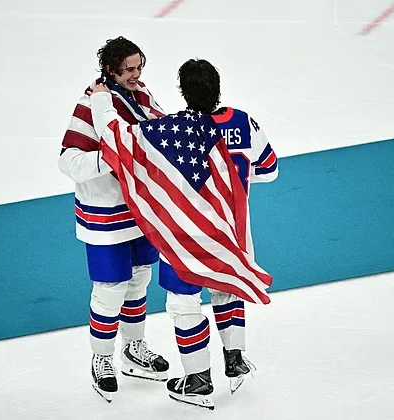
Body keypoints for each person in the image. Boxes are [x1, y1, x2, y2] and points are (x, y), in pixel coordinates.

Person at [88, 58, 279, 410]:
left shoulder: (173, 130)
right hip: (233, 232)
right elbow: (269, 170)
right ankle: (235, 357)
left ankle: (198, 380)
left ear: (184, 92)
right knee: (227, 288)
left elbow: (117, 137)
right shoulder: (243, 121)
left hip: (186, 238)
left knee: (183, 303)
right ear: (217, 87)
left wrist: (100, 98)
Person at [58, 36, 170, 403]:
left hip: (140, 209)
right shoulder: (90, 104)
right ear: (110, 70)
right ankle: (101, 358)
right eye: (130, 69)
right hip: (105, 215)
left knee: (139, 281)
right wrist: (112, 158)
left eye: (140, 67)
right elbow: (68, 161)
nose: (137, 75)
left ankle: (133, 347)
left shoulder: (140, 96)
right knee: (109, 291)